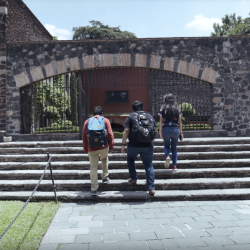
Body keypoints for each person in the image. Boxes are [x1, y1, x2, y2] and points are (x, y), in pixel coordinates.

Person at [121, 100, 157, 195]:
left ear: (133, 108)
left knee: (130, 159)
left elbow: (126, 130)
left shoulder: (131, 116)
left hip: (133, 144)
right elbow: (155, 130)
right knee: (149, 165)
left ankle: (133, 178)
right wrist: (151, 141)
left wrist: (123, 144)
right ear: (143, 107)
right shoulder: (149, 116)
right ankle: (151, 187)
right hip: (148, 145)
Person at [82, 106, 114, 196]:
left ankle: (94, 188)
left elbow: (84, 137)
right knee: (104, 159)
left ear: (93, 114)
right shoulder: (106, 120)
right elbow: (110, 134)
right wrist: (111, 146)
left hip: (91, 147)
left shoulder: (87, 121)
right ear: (102, 113)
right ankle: (104, 177)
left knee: (93, 167)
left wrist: (85, 148)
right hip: (104, 146)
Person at [159, 94, 183, 171]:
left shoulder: (163, 107)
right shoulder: (177, 108)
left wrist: (160, 132)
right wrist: (181, 133)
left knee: (166, 147)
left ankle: (167, 157)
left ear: (165, 99)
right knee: (174, 149)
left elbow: (160, 121)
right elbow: (180, 122)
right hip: (175, 129)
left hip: (166, 129)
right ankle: (174, 166)